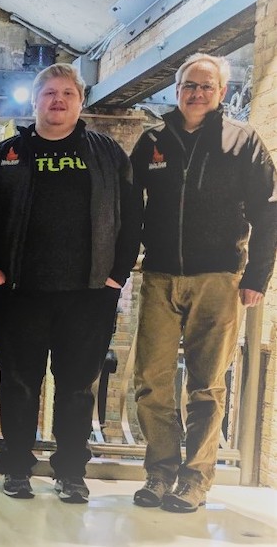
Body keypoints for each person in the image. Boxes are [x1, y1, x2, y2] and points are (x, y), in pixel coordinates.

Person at [0, 63, 141, 503]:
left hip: (88, 296)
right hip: (18, 295)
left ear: (80, 101)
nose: (58, 100)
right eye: (49, 93)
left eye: (67, 93)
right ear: (34, 101)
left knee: (75, 388)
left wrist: (115, 279)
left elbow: (132, 220)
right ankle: (16, 468)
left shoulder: (107, 153)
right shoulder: (6, 154)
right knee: (18, 384)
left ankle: (71, 472)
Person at [130, 53, 277, 513]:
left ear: (220, 93)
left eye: (206, 87)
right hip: (158, 276)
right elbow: (131, 208)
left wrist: (257, 277)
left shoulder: (243, 141)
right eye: (190, 85)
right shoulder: (153, 139)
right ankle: (160, 472)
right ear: (177, 90)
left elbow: (268, 211)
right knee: (151, 380)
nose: (197, 93)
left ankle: (194, 479)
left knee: (207, 385)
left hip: (219, 279)